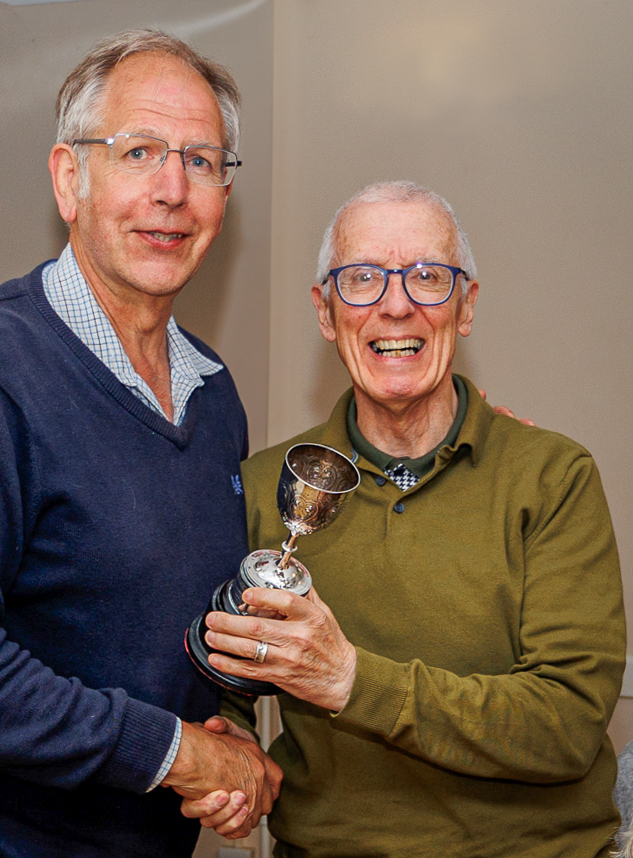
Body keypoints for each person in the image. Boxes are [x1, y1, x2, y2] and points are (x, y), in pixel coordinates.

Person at [0, 29, 281, 858]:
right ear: (70, 179)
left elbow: (172, 622)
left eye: (202, 160)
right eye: (139, 151)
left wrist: (225, 734)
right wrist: (175, 753)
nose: (172, 189)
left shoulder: (213, 392)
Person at [191, 181, 626, 856]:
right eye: (361, 278)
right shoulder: (260, 485)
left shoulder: (552, 476)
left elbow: (565, 726)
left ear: (466, 305)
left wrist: (350, 681)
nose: (396, 305)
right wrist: (232, 749)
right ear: (326, 311)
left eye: (427, 277)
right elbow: (224, 687)